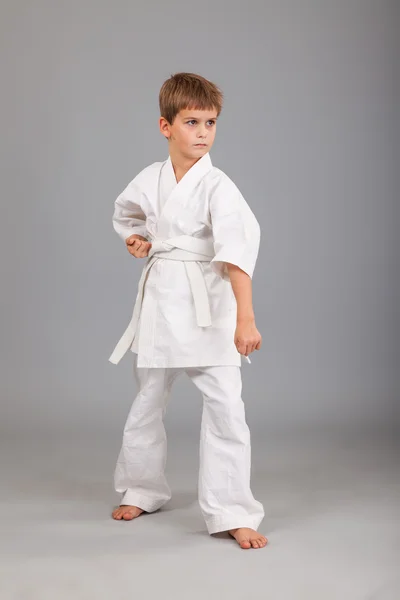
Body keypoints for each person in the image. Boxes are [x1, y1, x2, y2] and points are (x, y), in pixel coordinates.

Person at [109, 72, 268, 550]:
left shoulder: (218, 186)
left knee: (226, 410)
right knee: (146, 403)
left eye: (211, 122)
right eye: (191, 121)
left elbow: (237, 254)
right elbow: (127, 216)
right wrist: (136, 240)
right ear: (166, 126)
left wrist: (246, 318)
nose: (203, 132)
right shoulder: (149, 178)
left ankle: (232, 510)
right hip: (161, 301)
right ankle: (142, 488)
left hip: (210, 306)